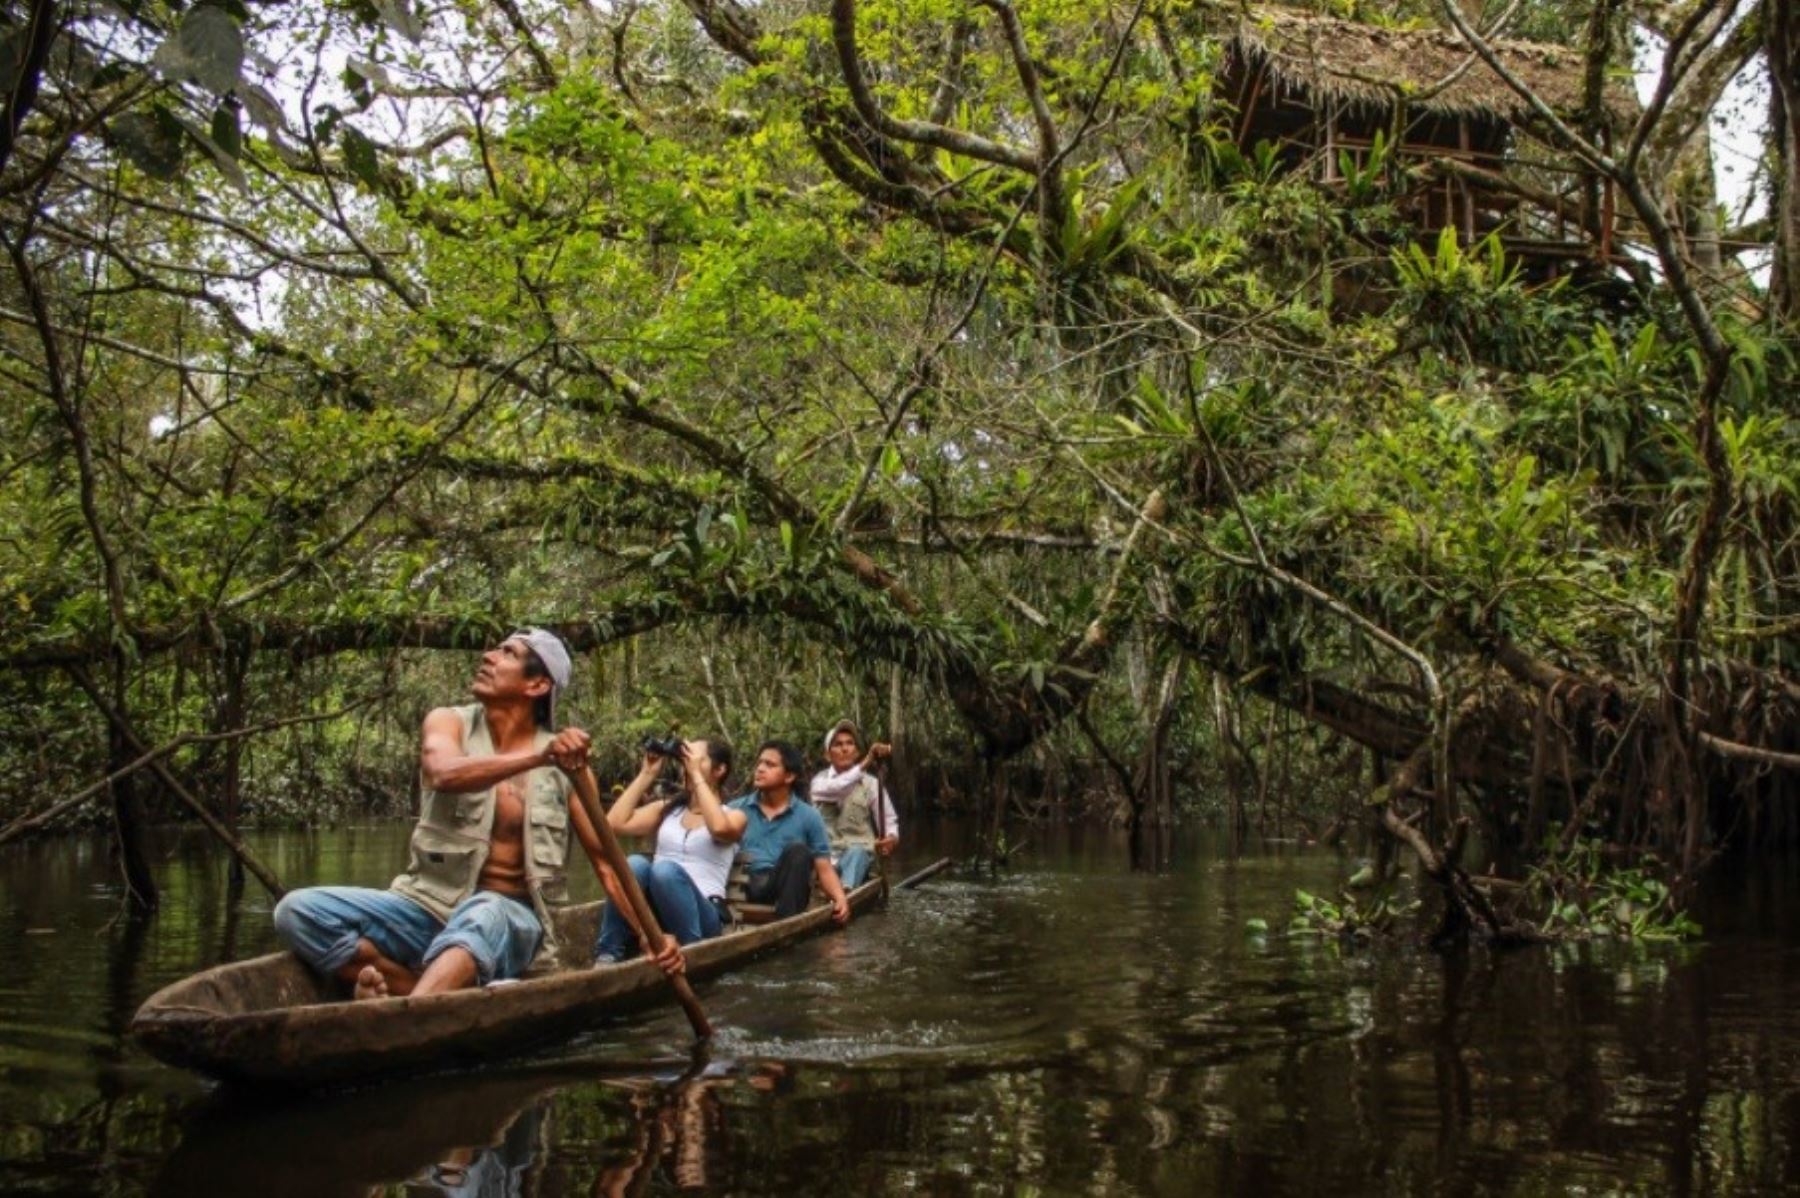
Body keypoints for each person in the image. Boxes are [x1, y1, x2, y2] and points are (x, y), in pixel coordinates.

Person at [272, 629, 681, 1000]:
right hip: (424, 906)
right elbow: (442, 772)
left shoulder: (569, 769)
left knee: (485, 910)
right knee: (297, 912)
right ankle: (417, 990)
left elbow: (606, 865)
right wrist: (539, 756)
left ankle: (404, 1015)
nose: (488, 656)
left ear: (537, 684)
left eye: (508, 653)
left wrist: (649, 936)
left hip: (510, 919)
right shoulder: (449, 722)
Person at [592, 738, 746, 964]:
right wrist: (647, 773)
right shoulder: (667, 810)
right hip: (658, 915)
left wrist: (696, 777)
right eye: (684, 759)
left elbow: (719, 829)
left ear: (720, 770)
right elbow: (612, 825)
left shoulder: (734, 816)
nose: (687, 764)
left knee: (664, 870)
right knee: (635, 864)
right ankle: (608, 953)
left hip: (704, 915)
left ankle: (690, 952)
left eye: (695, 759)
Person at [725, 741, 851, 922]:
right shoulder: (735, 810)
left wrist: (840, 898)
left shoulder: (809, 816)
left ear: (789, 776)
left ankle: (787, 926)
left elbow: (824, 868)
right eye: (759, 763)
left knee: (798, 851)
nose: (760, 769)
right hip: (746, 886)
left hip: (785, 890)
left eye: (769, 764)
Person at [808, 719, 899, 888]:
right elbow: (838, 787)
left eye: (850, 743)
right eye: (837, 744)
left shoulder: (871, 784)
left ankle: (845, 893)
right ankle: (836, 892)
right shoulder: (818, 783)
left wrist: (891, 839)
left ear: (856, 752)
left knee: (857, 853)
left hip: (862, 858)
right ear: (827, 755)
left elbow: (888, 819)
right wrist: (868, 760)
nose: (844, 748)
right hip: (827, 862)